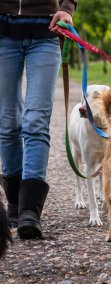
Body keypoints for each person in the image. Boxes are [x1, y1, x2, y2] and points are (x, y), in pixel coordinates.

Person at [0, 0, 77, 239]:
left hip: (47, 32)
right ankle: (14, 203)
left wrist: (66, 7)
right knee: (7, 122)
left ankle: (29, 210)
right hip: (3, 35)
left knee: (35, 121)